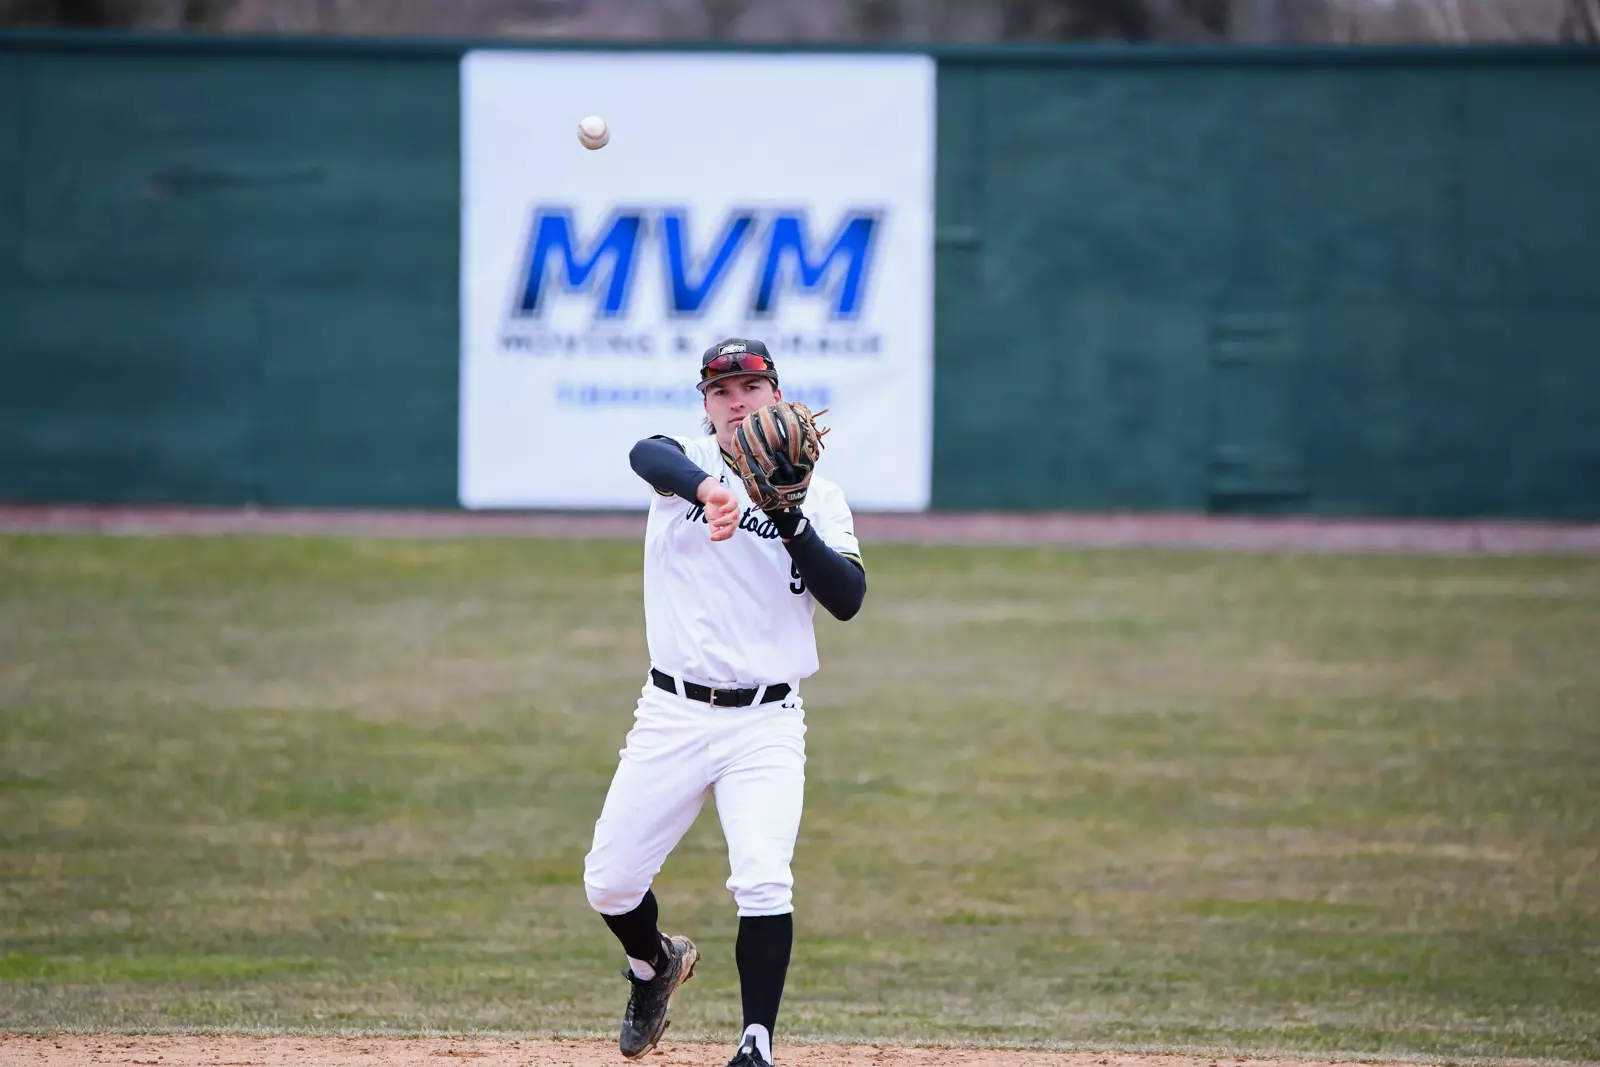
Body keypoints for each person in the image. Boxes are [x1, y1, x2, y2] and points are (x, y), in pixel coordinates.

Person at [582, 338, 867, 1067]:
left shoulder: (824, 498)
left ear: (778, 395)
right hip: (672, 713)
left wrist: (791, 516)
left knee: (765, 876)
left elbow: (847, 598)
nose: (736, 401)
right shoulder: (684, 462)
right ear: (705, 407)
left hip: (767, 723)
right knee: (610, 881)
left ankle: (756, 1042)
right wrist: (711, 490)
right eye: (721, 392)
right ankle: (655, 965)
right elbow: (645, 452)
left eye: (751, 387)